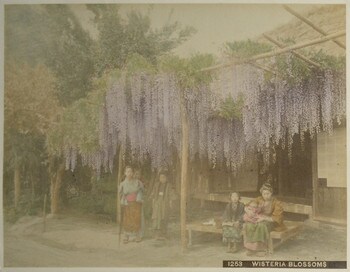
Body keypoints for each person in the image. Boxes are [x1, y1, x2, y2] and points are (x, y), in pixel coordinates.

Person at [243, 183, 286, 257]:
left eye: (268, 193)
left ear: (271, 193)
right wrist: (248, 211)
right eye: (264, 194)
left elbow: (277, 218)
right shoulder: (259, 199)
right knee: (249, 225)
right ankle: (251, 248)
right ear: (261, 193)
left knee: (261, 226)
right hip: (258, 218)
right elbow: (247, 205)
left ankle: (261, 249)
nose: (266, 196)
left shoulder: (276, 203)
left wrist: (264, 218)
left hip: (271, 221)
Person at [119, 166, 144, 243]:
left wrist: (139, 196)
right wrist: (123, 198)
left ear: (133, 173)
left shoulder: (138, 182)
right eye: (127, 172)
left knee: (136, 219)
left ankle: (137, 235)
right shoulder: (122, 183)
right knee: (127, 219)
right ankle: (126, 236)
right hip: (127, 203)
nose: (129, 173)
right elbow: (121, 193)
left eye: (131, 172)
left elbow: (141, 190)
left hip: (136, 203)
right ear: (125, 173)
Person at [150, 171, 176, 240]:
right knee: (156, 218)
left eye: (164, 177)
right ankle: (157, 234)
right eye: (161, 177)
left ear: (167, 178)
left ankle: (164, 234)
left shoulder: (169, 185)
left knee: (164, 218)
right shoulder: (156, 185)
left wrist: (170, 202)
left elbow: (171, 194)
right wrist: (153, 202)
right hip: (157, 203)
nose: (162, 179)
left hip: (165, 203)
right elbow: (153, 194)